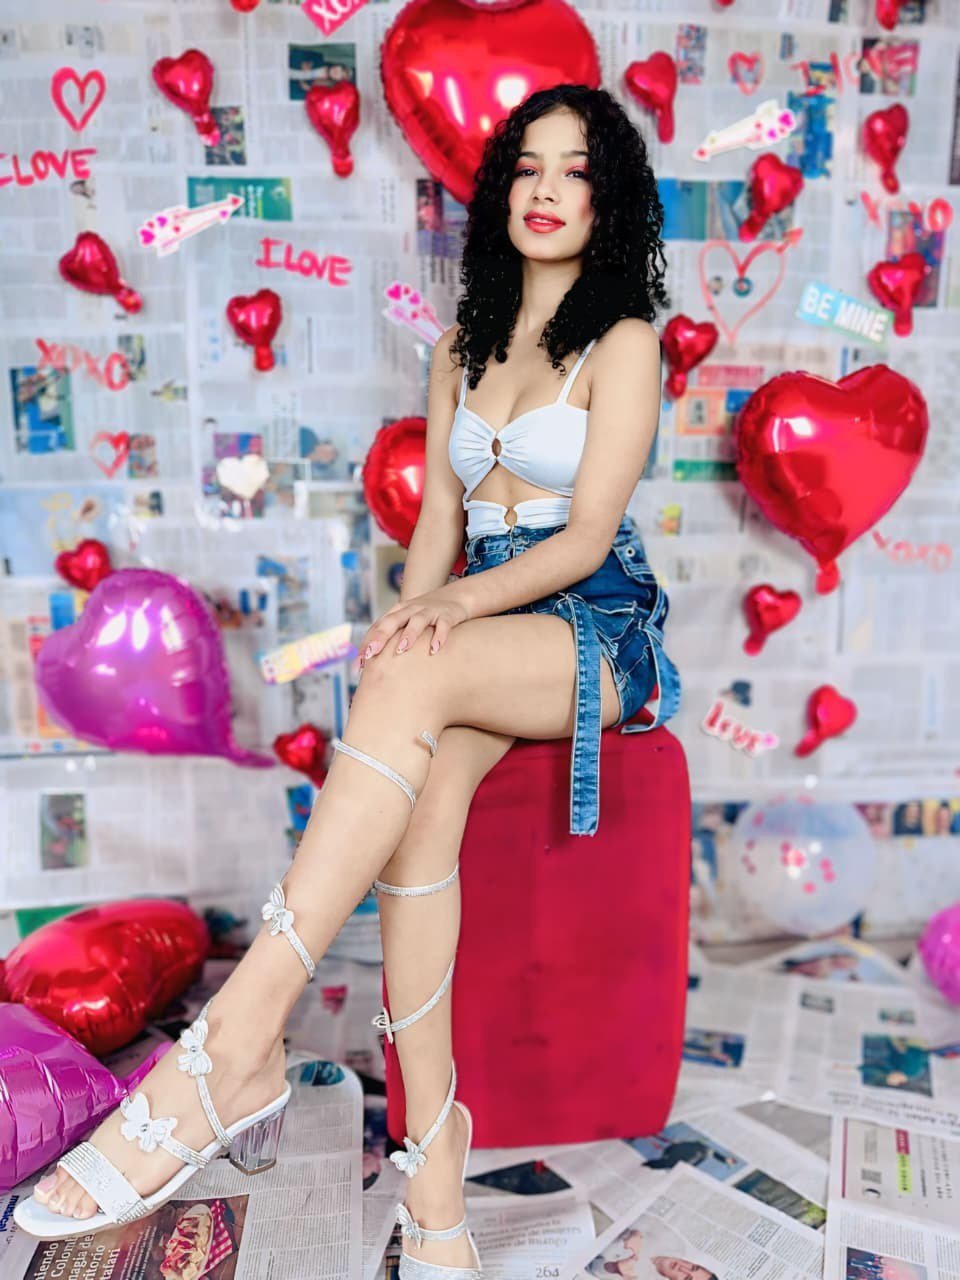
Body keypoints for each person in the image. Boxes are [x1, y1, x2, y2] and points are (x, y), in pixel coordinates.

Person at [16, 83, 679, 1277]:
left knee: (424, 662)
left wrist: (448, 610)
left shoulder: (622, 340)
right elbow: (439, 530)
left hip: (592, 622)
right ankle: (435, 1186)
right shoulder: (464, 346)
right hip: (478, 614)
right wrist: (407, 620)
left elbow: (586, 536)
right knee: (414, 782)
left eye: (576, 170)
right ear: (501, 190)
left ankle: (234, 1042)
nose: (546, 189)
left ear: (610, 198)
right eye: (529, 167)